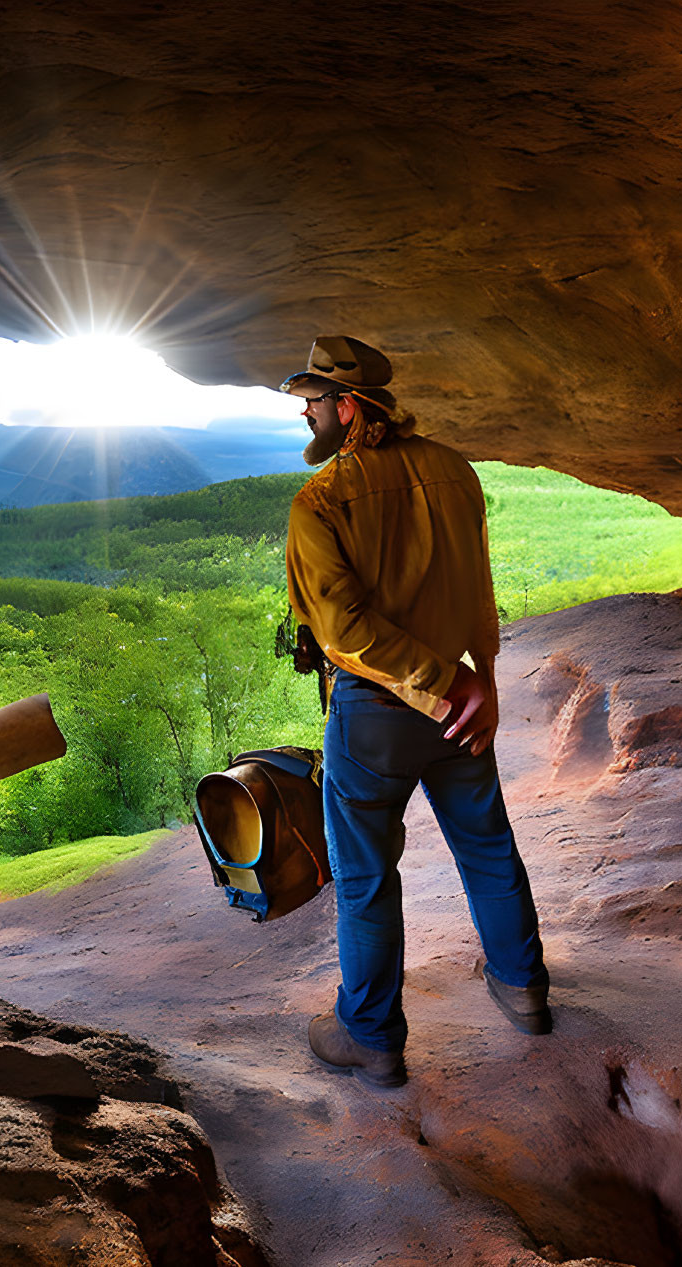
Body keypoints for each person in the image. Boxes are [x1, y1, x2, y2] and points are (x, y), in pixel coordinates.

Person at [279, 336, 550, 1090]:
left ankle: (369, 1037)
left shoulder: (320, 501)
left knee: (366, 878)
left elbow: (343, 632)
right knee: (488, 847)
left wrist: (440, 683)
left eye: (311, 398)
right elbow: (475, 586)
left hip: (377, 711)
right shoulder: (451, 469)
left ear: (348, 406)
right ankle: (523, 988)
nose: (303, 410)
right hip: (461, 701)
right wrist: (479, 682)